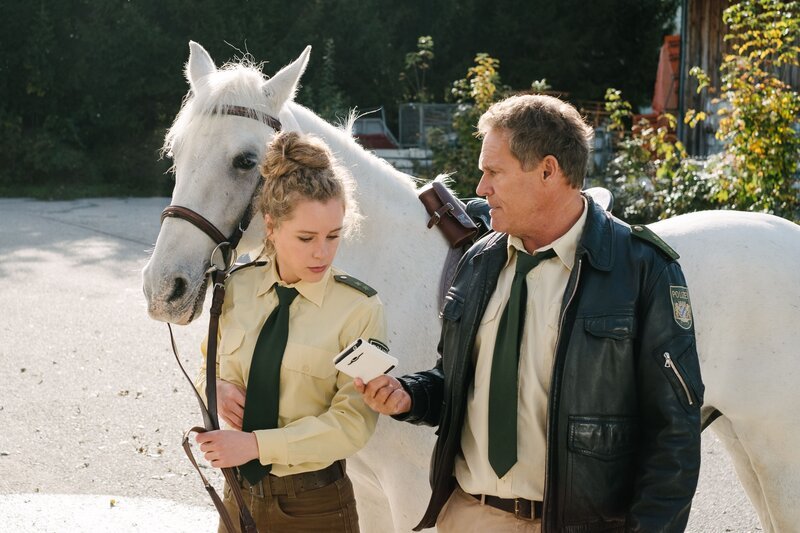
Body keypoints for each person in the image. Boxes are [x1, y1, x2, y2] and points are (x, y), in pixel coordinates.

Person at [357, 94, 703, 532]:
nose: (481, 189)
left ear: (547, 170)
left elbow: (674, 431)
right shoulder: (478, 261)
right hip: (469, 515)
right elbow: (457, 383)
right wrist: (409, 396)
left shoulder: (643, 268)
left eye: (493, 172)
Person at [195, 131, 386, 533]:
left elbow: (353, 423)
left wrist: (256, 446)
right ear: (271, 225)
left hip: (314, 507)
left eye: (334, 236)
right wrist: (217, 384)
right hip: (239, 495)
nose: (323, 252)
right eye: (306, 238)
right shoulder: (237, 289)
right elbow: (209, 361)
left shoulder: (359, 309)